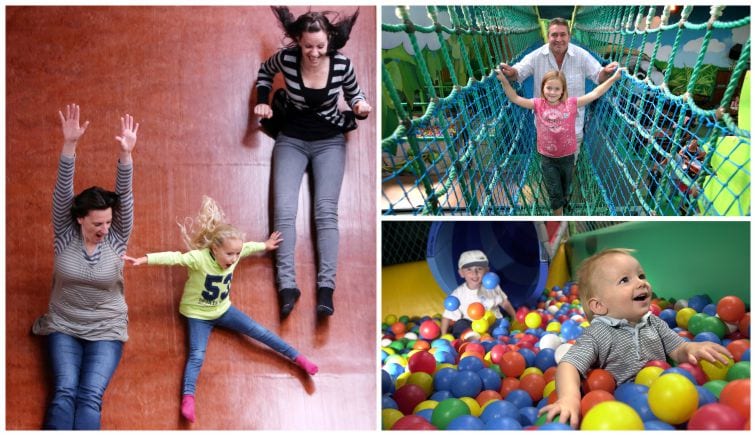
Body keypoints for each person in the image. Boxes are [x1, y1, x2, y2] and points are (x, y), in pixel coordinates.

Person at [122, 196, 318, 423]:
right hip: (196, 315)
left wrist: (265, 245)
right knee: (196, 355)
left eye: (237, 254)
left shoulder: (235, 253)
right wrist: (144, 259)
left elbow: (248, 247)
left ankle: (299, 358)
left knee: (259, 332)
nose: (234, 258)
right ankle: (188, 398)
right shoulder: (198, 258)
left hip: (224, 310)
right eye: (230, 254)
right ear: (215, 249)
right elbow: (173, 257)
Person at [253, 7, 372, 318]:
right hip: (291, 138)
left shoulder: (342, 64)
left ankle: (325, 290)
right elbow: (265, 72)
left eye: (320, 46)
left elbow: (355, 94)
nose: (315, 53)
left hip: (329, 141)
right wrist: (263, 102)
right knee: (284, 212)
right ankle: (287, 287)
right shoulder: (287, 59)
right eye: (308, 46)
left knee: (326, 212)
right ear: (298, 41)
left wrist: (360, 106)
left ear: (329, 41)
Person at [538, 248, 733, 428]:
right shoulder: (597, 334)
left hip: (667, 396)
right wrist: (569, 398)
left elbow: (678, 349)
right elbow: (569, 364)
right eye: (625, 280)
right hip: (624, 410)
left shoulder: (653, 322)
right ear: (599, 306)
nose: (641, 282)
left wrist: (691, 349)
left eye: (641, 275)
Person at [32, 104, 139, 429]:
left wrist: (126, 155)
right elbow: (62, 191)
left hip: (106, 329)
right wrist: (70, 144)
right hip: (64, 325)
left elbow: (126, 196)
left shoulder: (117, 237)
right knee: (64, 391)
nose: (104, 227)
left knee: (90, 394)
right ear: (79, 219)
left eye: (108, 221)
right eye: (97, 222)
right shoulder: (65, 235)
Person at [497, 67, 623, 215]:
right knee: (555, 193)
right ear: (543, 88)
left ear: (563, 91)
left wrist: (613, 78)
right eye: (549, 88)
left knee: (565, 187)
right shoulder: (537, 104)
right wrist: (504, 81)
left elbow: (595, 93)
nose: (552, 92)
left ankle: (565, 201)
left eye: (557, 89)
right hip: (547, 158)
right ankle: (559, 217)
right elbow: (515, 98)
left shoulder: (571, 104)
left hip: (567, 156)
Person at [498, 17, 619, 149]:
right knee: (548, 164)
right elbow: (518, 72)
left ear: (569, 36)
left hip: (573, 129)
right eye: (554, 35)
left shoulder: (581, 55)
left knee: (570, 164)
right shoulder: (536, 56)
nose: (559, 39)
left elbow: (598, 76)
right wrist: (511, 73)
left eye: (563, 35)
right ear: (548, 36)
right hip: (546, 130)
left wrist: (606, 73)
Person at [440, 250, 517, 337]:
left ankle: (495, 337)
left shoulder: (492, 287)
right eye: (469, 269)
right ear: (461, 273)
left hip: (491, 321)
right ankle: (469, 339)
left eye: (479, 269)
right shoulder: (458, 294)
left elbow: (504, 302)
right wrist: (443, 336)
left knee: (502, 323)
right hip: (471, 325)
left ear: (487, 270)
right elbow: (447, 316)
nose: (475, 273)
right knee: (460, 324)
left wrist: (515, 318)